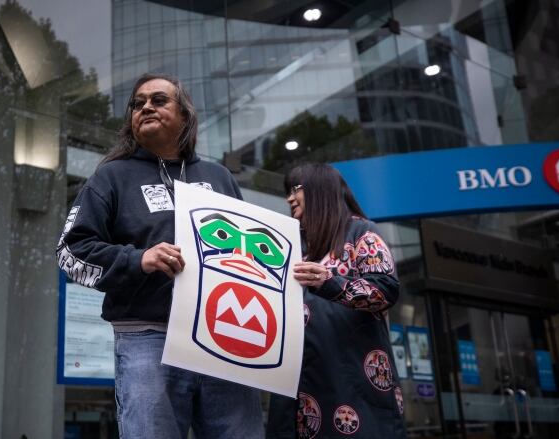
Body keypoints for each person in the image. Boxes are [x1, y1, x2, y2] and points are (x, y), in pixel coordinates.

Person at [56, 73, 263, 439]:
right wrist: (139, 260)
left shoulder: (219, 177)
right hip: (148, 339)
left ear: (185, 115)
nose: (146, 106)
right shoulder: (111, 177)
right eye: (138, 103)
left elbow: (251, 254)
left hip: (225, 339)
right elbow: (70, 252)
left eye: (158, 100)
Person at [266, 163, 406, 438]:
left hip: (353, 386)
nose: (289, 198)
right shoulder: (293, 247)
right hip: (300, 389)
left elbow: (385, 289)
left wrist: (329, 282)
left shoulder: (361, 232)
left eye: (295, 189)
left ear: (321, 190)